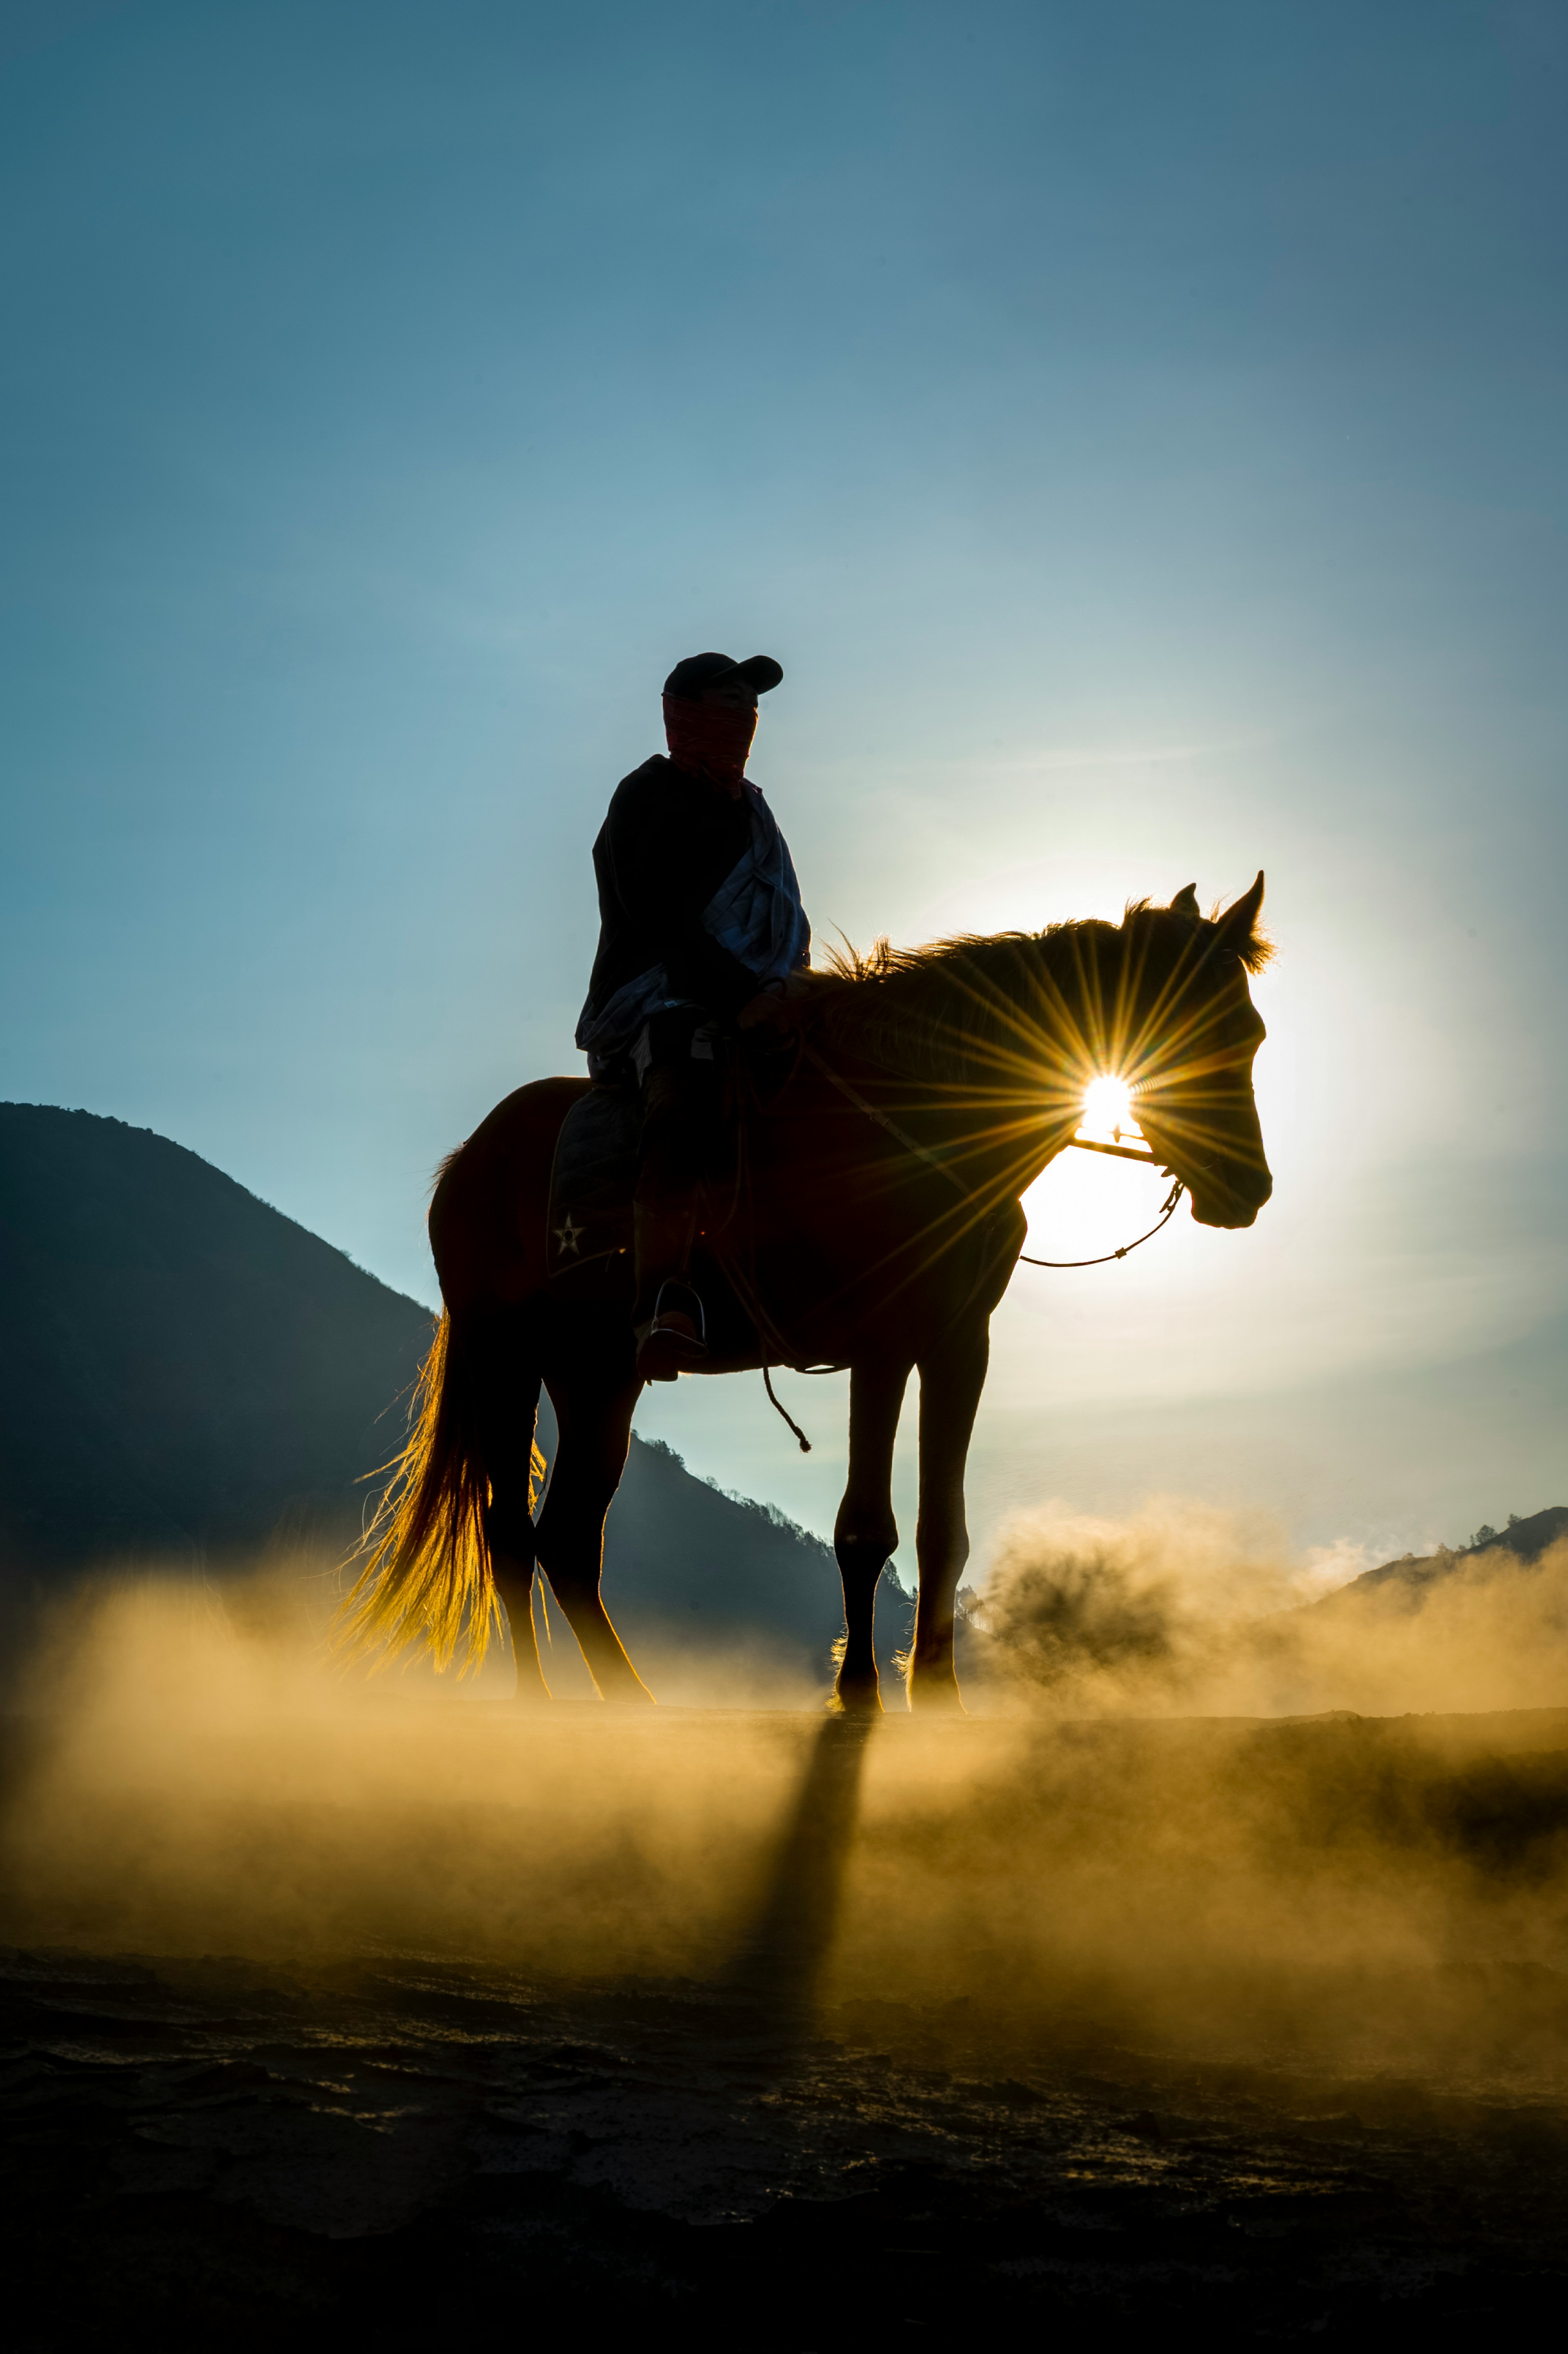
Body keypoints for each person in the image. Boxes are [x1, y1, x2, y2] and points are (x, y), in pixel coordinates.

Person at [575, 651, 811, 1383]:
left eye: (751, 702)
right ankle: (663, 1297)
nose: (744, 714)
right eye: (728, 698)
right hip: (661, 994)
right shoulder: (645, 796)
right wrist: (743, 995)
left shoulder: (756, 815)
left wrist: (791, 990)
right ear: (685, 712)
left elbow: (782, 917)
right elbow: (660, 918)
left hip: (763, 997)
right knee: (686, 1090)